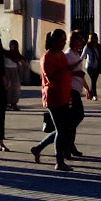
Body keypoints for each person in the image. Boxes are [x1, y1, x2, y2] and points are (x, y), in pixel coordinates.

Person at [31, 28, 75, 172]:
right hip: (53, 97)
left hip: (64, 95)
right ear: (54, 41)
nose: (64, 43)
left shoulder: (61, 54)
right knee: (62, 130)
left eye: (65, 40)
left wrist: (73, 71)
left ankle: (38, 148)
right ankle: (59, 161)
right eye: (62, 40)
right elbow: (51, 77)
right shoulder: (47, 57)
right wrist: (68, 69)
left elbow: (65, 71)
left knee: (63, 129)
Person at [65, 30, 90, 157]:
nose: (82, 42)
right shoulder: (68, 55)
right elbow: (63, 72)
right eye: (80, 39)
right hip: (71, 90)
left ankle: (70, 144)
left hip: (77, 89)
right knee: (77, 116)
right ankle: (67, 144)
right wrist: (75, 74)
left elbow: (81, 74)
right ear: (74, 41)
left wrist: (87, 88)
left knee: (75, 118)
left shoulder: (76, 55)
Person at [4, 39, 25, 110]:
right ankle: (5, 103)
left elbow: (22, 62)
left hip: (14, 71)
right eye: (11, 45)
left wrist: (19, 63)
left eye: (13, 45)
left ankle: (14, 103)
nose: (12, 46)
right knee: (6, 87)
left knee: (15, 87)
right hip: (6, 70)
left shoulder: (17, 54)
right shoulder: (6, 53)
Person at [84, 32, 101, 100]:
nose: (94, 40)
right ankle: (94, 95)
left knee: (94, 81)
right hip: (90, 66)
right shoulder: (87, 47)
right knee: (93, 80)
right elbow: (82, 56)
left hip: (97, 66)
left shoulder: (98, 46)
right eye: (92, 38)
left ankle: (89, 93)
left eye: (95, 38)